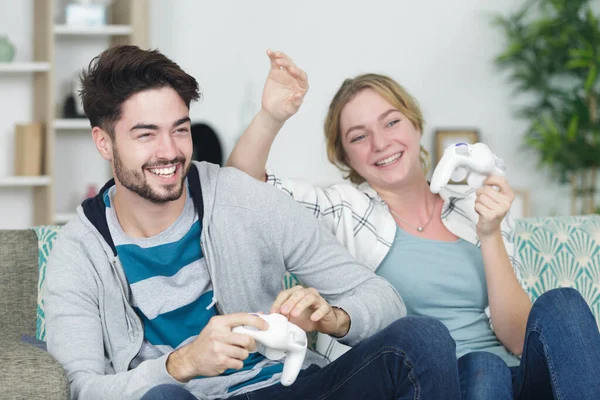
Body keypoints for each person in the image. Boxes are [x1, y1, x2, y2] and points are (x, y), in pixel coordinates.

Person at [43, 45, 464, 400]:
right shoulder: (80, 250)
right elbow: (81, 388)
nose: (169, 152)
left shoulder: (239, 197)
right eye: (145, 134)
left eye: (180, 130)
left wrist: (332, 317)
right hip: (181, 396)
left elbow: (381, 297)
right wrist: (183, 363)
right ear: (104, 141)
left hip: (290, 386)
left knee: (423, 337)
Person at [227, 49, 600, 399]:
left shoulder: (477, 208)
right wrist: (271, 115)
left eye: (391, 122)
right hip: (432, 384)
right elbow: (242, 189)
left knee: (562, 303)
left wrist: (489, 234)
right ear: (344, 157)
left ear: (415, 124)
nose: (380, 142)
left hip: (516, 379)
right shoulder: (340, 209)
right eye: (359, 136)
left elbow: (518, 338)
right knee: (482, 368)